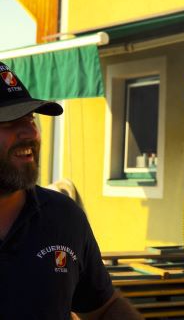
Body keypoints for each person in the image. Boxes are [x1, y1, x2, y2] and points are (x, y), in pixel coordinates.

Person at [0, 62, 142, 319]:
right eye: (10, 122)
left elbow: (103, 308)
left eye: (31, 119)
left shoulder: (64, 217)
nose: (31, 132)